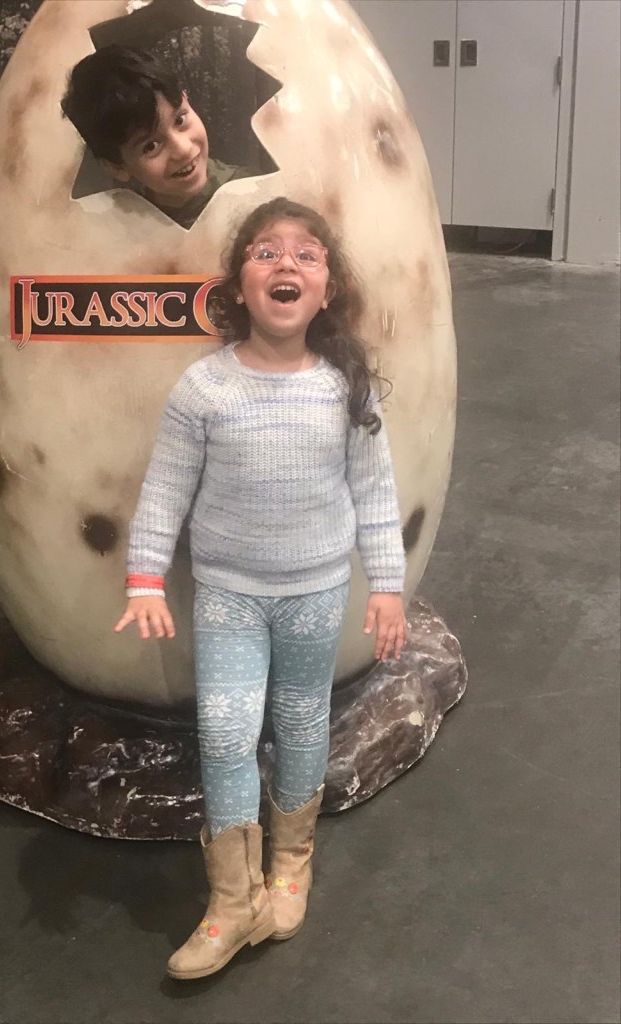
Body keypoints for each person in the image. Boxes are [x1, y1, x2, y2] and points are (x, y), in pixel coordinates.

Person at [115, 197, 407, 979]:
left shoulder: (346, 388)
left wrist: (388, 585)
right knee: (224, 733)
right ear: (239, 286)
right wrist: (144, 580)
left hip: (316, 592)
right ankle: (233, 900)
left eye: (307, 254)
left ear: (327, 289)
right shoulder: (203, 389)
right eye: (266, 251)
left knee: (302, 720)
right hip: (228, 595)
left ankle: (290, 865)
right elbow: (164, 493)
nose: (286, 263)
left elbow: (375, 493)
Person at [61, 44, 251, 229]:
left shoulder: (250, 193)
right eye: (151, 146)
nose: (183, 149)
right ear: (116, 166)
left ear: (186, 98)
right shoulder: (127, 228)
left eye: (179, 120)